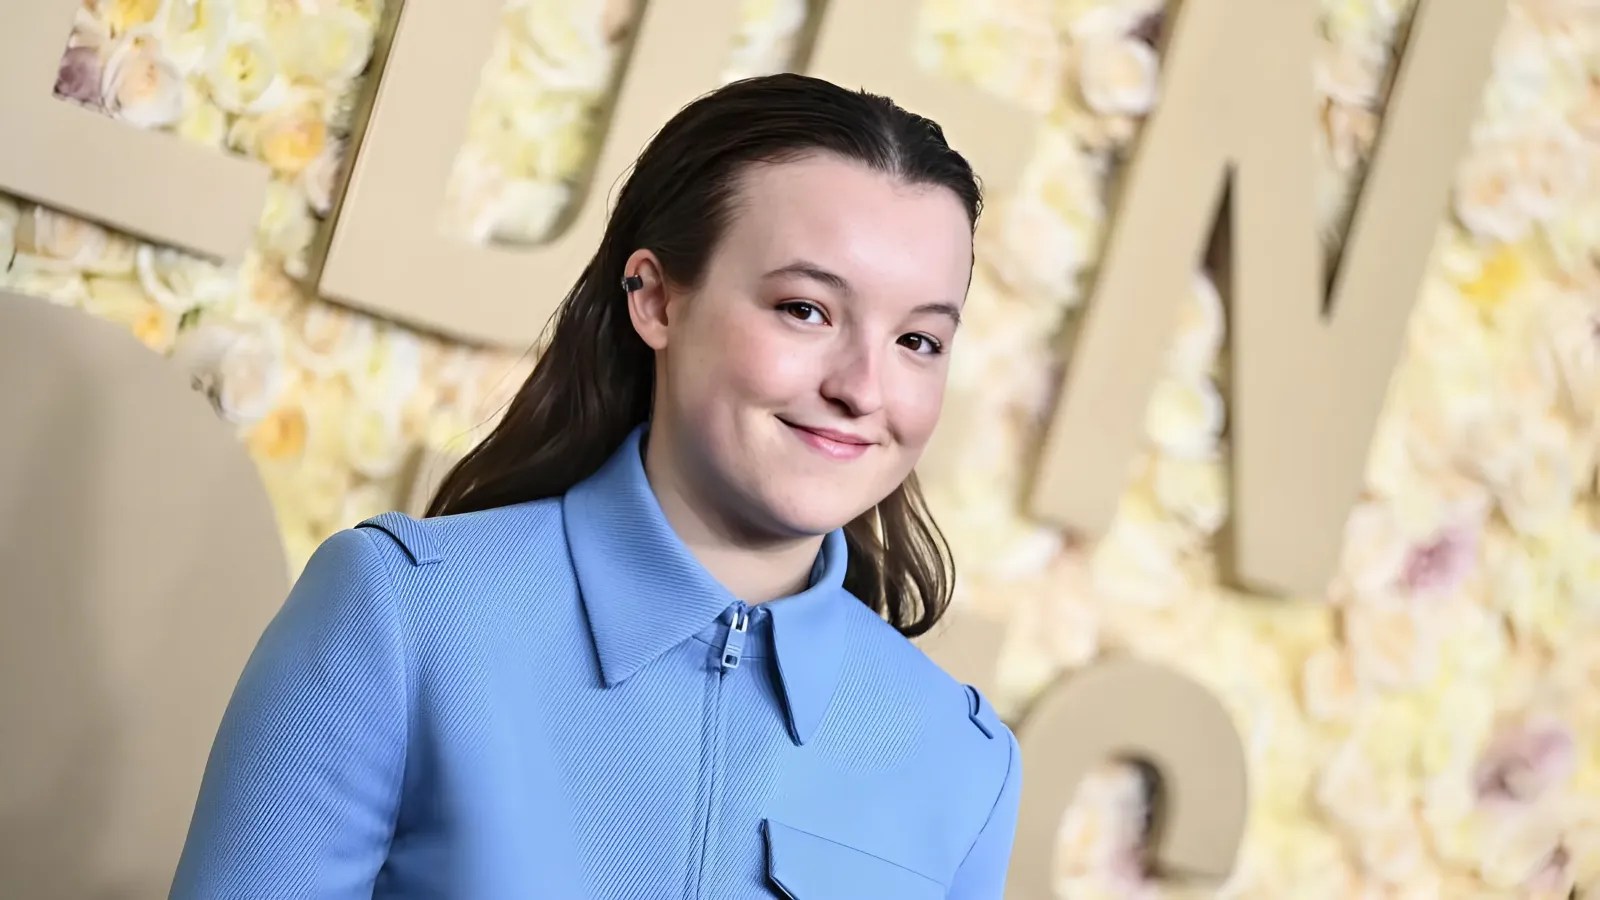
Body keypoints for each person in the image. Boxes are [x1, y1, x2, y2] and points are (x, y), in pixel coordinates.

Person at [170, 72, 1022, 899]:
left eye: (918, 341)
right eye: (806, 309)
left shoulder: (964, 763)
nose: (863, 389)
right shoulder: (402, 617)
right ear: (653, 299)